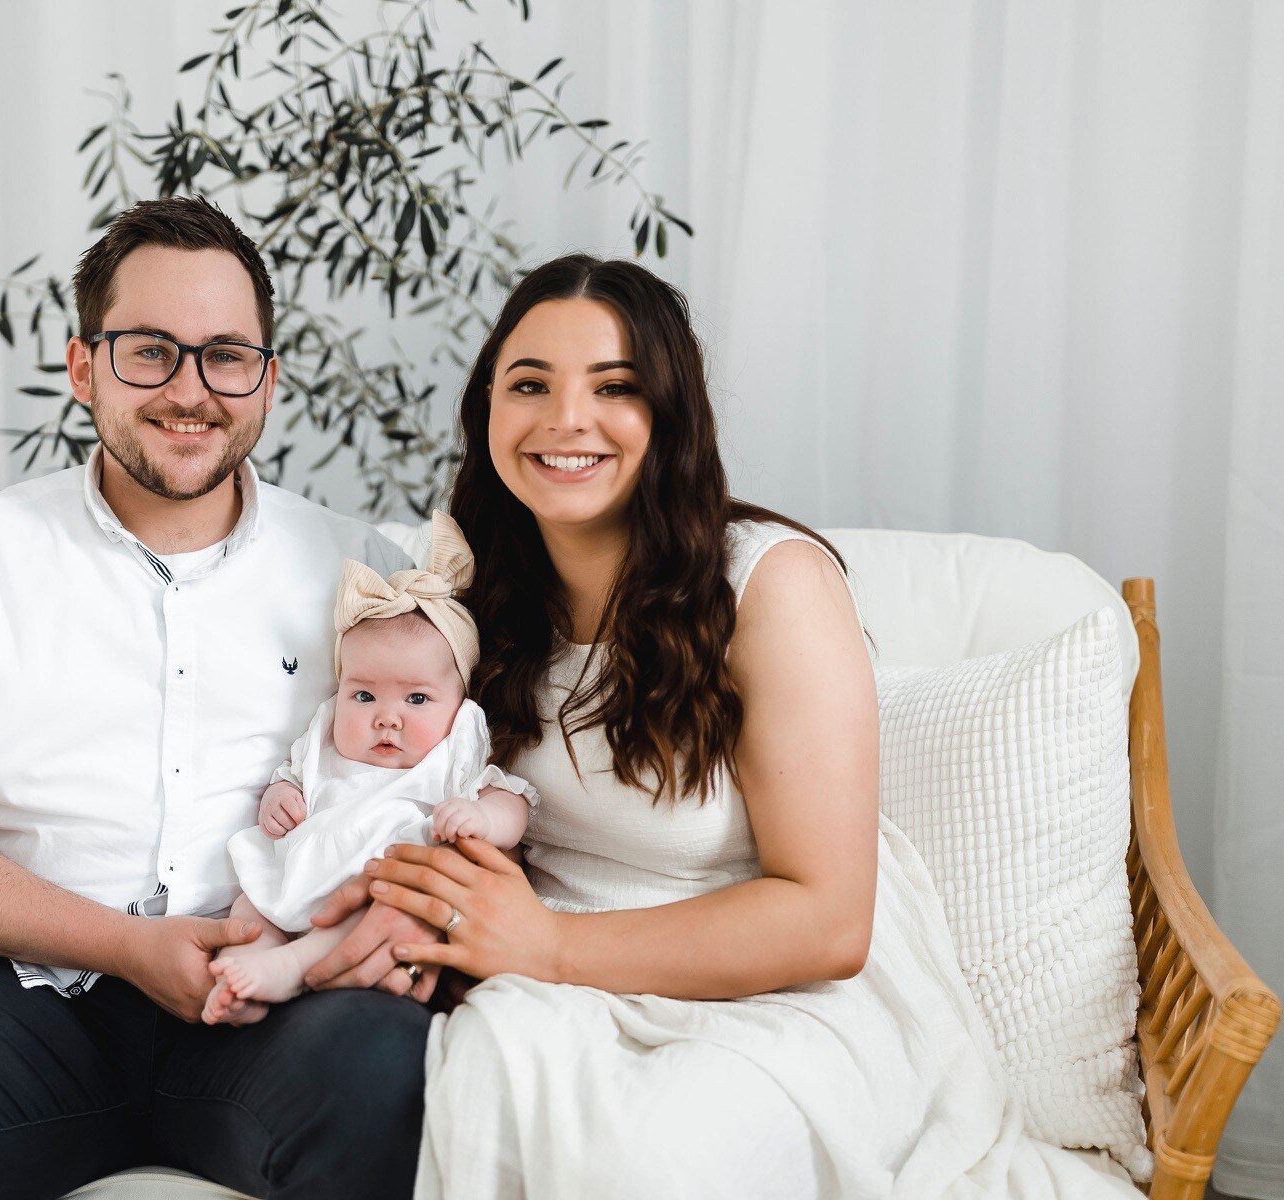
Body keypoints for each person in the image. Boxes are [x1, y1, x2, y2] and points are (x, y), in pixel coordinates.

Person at [332, 255, 1140, 1198]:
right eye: (529, 385)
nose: (564, 420)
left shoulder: (769, 583)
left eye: (616, 387)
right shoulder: (474, 596)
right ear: (487, 414)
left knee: (646, 1159)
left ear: (670, 417)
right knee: (465, 1104)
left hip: (782, 994)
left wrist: (545, 945)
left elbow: (829, 920)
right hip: (551, 991)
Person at [0, 196, 439, 1200]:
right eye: (150, 350)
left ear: (268, 379)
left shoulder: (360, 568)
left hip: (278, 983)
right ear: (84, 365)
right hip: (15, 990)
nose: (192, 390)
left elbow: (449, 776)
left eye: (226, 355)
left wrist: (384, 929)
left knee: (390, 1080)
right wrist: (127, 947)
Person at [206, 515, 535, 1021]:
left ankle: (291, 967)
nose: (386, 716)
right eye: (364, 694)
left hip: (376, 883)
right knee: (252, 903)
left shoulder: (455, 749)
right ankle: (243, 973)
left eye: (417, 698)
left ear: (459, 703)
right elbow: (293, 774)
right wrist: (282, 796)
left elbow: (510, 798)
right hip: (300, 867)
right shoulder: (328, 732)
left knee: (372, 907)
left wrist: (485, 819)